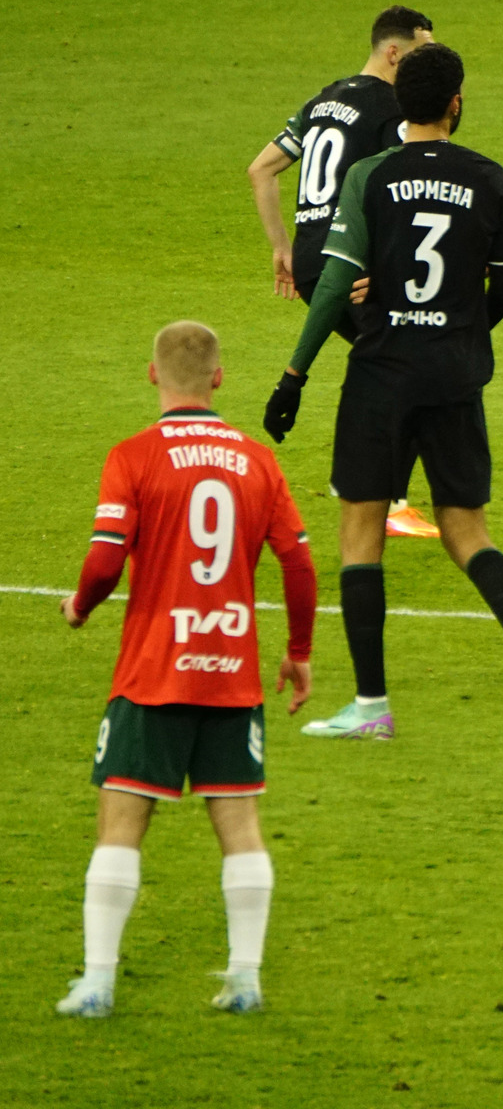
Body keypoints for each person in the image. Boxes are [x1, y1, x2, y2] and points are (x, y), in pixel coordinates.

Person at [263, 44, 503, 746]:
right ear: (455, 103)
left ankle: (372, 705)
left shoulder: (370, 175)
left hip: (381, 376)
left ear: (402, 104)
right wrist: (461, 329)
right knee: (468, 533)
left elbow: (335, 285)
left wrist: (294, 376)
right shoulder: (489, 178)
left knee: (361, 532)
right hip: (456, 375)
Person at [56, 322, 316, 1020]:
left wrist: (80, 606)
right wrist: (298, 652)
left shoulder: (133, 456)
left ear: (152, 375)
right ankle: (245, 977)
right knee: (239, 823)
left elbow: (107, 560)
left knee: (120, 821)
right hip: (230, 671)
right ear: (219, 379)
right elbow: (298, 561)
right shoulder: (258, 461)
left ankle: (99, 983)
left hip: (153, 672)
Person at [245, 5, 440, 540]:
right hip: (350, 261)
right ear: (395, 52)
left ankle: (373, 485)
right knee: (415, 362)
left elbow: (261, 169)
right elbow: (399, 189)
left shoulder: (324, 98)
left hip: (312, 257)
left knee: (389, 361)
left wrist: (283, 247)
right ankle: (381, 493)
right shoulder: (390, 108)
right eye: (423, 51)